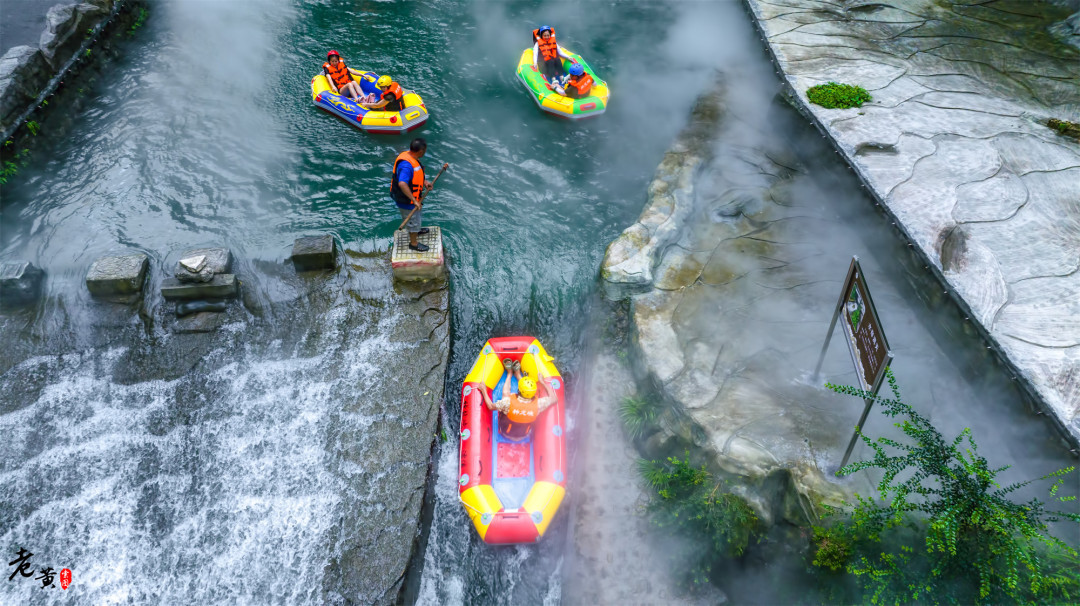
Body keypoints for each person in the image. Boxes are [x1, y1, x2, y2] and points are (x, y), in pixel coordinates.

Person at [480, 358, 558, 439]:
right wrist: (542, 382)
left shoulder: (508, 402)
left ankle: (509, 374)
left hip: (506, 433)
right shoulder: (539, 404)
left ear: (519, 390)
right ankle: (518, 375)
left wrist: (484, 391)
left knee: (506, 395)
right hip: (524, 435)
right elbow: (554, 398)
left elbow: (491, 406)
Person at [391, 138, 433, 252]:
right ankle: (413, 243)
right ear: (421, 151)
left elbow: (416, 176)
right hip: (406, 200)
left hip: (413, 197)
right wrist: (414, 200)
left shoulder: (411, 156)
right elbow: (402, 183)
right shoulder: (406, 165)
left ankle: (416, 230)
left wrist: (425, 183)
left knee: (416, 218)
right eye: (425, 150)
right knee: (412, 220)